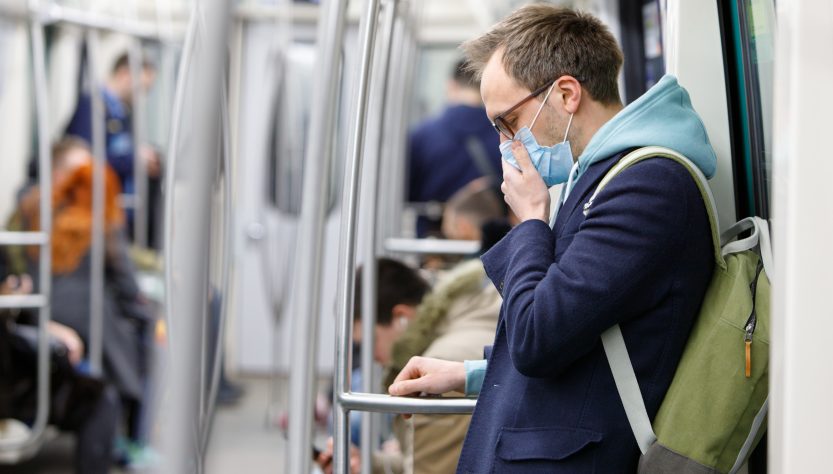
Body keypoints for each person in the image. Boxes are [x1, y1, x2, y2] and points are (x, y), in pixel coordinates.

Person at [389, 5, 716, 472]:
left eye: (509, 122)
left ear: (565, 94)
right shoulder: (601, 178)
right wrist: (470, 374)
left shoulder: (647, 186)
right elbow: (586, 333)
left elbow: (539, 336)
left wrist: (530, 221)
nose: (506, 143)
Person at [16, 137, 156, 467]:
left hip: (36, 312)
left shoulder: (28, 209)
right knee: (148, 337)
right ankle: (136, 436)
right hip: (86, 317)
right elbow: (124, 279)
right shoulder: (100, 217)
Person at [318, 258, 500, 473]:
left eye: (370, 342)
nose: (371, 358)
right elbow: (440, 460)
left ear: (401, 317)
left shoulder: (442, 367)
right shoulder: (468, 312)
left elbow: (431, 468)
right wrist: (372, 465)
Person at [65, 53, 161, 241]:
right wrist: (133, 158)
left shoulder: (119, 111)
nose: (142, 97)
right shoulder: (93, 106)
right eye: (142, 88)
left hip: (112, 210)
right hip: (93, 211)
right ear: (125, 74)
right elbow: (83, 160)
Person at [408, 59, 502, 237]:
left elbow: (407, 192)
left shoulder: (421, 135)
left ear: (451, 85)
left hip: (434, 242)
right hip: (491, 241)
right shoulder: (505, 135)